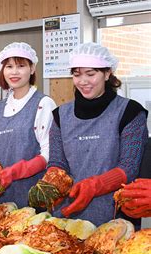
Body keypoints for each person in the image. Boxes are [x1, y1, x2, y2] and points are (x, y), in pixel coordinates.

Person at [44, 42, 148, 226]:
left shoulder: (130, 112)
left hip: (114, 218)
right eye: (76, 75)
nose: (83, 81)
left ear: (107, 73)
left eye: (90, 74)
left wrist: (95, 185)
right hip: (68, 215)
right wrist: (53, 181)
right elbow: (57, 162)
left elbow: (129, 167)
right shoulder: (61, 115)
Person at [0, 42, 56, 208]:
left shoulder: (43, 103)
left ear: (32, 69)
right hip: (1, 196)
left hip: (34, 196)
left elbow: (49, 153)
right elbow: (1, 148)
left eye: (21, 65)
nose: (14, 72)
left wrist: (17, 171)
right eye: (9, 66)